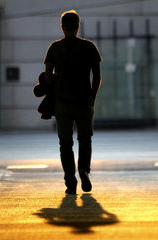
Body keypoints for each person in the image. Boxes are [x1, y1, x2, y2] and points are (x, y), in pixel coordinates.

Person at [44, 10, 102, 194]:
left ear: (62, 27)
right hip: (84, 102)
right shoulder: (89, 47)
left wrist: (57, 82)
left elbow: (47, 75)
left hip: (62, 103)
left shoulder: (55, 47)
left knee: (65, 144)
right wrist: (92, 95)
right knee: (85, 139)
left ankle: (70, 181)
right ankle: (84, 170)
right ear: (78, 26)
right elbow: (97, 75)